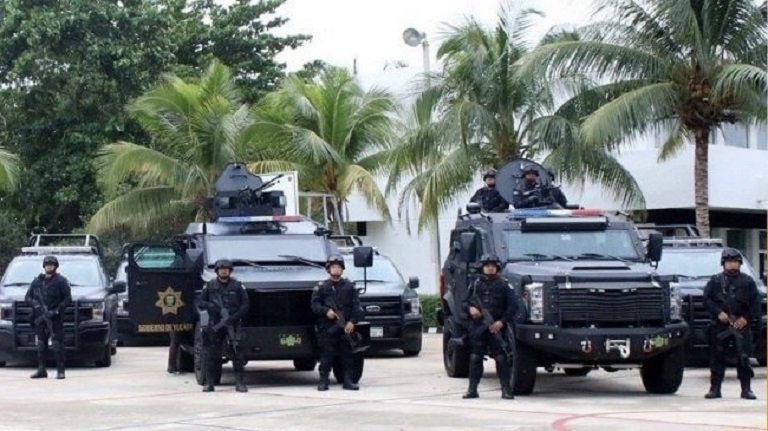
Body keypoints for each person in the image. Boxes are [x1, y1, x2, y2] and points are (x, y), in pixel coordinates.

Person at [702, 248, 761, 400]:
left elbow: (755, 303)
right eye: (729, 262)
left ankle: (746, 389)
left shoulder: (747, 281)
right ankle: (715, 389)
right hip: (721, 326)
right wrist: (718, 313)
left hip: (741, 326)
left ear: (740, 263)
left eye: (735, 262)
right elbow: (707, 300)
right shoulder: (715, 281)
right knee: (717, 358)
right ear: (723, 264)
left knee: (743, 357)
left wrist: (745, 319)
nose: (732, 265)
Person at [462, 254, 519, 399]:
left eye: (493, 265)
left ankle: (506, 390)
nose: (490, 268)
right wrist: (470, 309)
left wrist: (501, 322)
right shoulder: (475, 284)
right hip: (478, 326)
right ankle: (472, 389)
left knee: (501, 358)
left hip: (497, 327)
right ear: (482, 267)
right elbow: (464, 302)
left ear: (497, 267)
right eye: (487, 265)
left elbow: (513, 306)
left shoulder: (504, 284)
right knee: (475, 358)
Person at [311, 255, 364, 391]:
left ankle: (347, 381)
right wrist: (326, 311)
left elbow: (356, 307)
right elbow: (315, 305)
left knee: (347, 356)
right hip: (328, 327)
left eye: (339, 267)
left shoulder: (349, 286)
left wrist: (352, 322)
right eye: (333, 267)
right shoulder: (321, 287)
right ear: (328, 269)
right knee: (326, 355)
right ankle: (324, 381)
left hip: (345, 327)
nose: (336, 269)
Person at [197, 259, 250, 393]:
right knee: (211, 354)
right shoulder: (210, 285)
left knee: (237, 353)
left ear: (230, 271)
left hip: (233, 323)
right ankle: (209, 383)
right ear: (217, 271)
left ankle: (240, 383)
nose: (224, 271)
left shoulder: (237, 286)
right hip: (216, 324)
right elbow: (201, 303)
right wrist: (212, 307)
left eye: (226, 269)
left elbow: (245, 305)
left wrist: (233, 317)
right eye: (221, 269)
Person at [25, 255, 72, 380]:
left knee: (57, 344)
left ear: (55, 267)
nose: (49, 267)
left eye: (51, 265)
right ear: (44, 266)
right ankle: (42, 370)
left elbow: (68, 299)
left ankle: (60, 371)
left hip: (55, 318)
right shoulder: (37, 281)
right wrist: (35, 304)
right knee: (41, 343)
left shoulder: (61, 281)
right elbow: (27, 297)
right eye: (47, 265)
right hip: (40, 317)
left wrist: (56, 311)